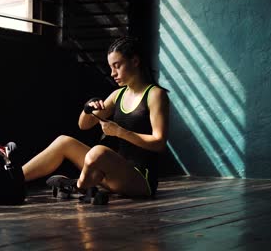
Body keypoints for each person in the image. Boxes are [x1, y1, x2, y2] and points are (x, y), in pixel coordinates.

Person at [21, 36, 170, 197]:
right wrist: (87, 109)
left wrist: (120, 132)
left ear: (134, 61)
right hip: (113, 175)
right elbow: (84, 125)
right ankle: (11, 179)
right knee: (64, 142)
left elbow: (159, 142)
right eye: (111, 67)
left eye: (117, 66)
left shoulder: (155, 95)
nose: (112, 73)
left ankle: (78, 187)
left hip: (141, 182)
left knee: (98, 152)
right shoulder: (117, 95)